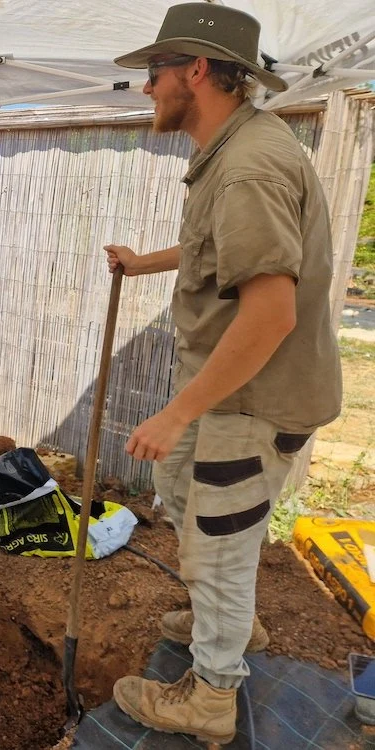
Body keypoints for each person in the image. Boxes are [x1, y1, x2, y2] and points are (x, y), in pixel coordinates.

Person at [104, 4, 341, 744]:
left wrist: (176, 413)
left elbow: (270, 314)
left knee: (222, 540)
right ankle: (224, 613)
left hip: (252, 398)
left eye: (155, 73)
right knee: (185, 500)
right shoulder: (232, 150)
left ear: (196, 71)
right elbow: (219, 250)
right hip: (228, 389)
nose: (147, 90)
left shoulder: (248, 166)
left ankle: (210, 699)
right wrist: (144, 263)